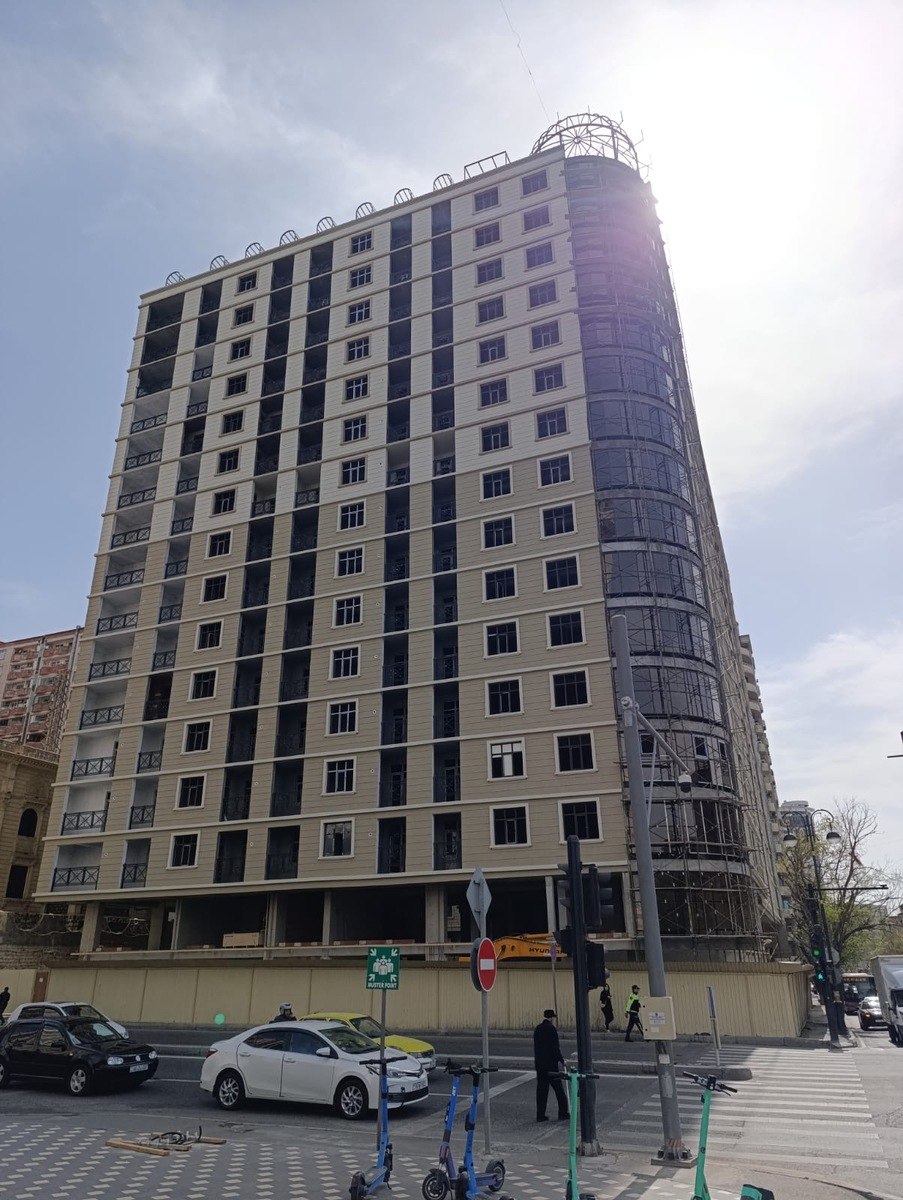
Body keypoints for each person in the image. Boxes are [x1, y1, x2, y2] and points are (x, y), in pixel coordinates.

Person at [533, 1008, 569, 1122]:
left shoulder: (538, 1029)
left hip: (540, 1064)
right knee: (559, 1090)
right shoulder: (551, 1029)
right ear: (551, 1018)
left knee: (542, 1091)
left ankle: (540, 1115)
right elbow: (555, 1048)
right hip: (551, 1065)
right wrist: (562, 1060)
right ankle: (563, 1113)